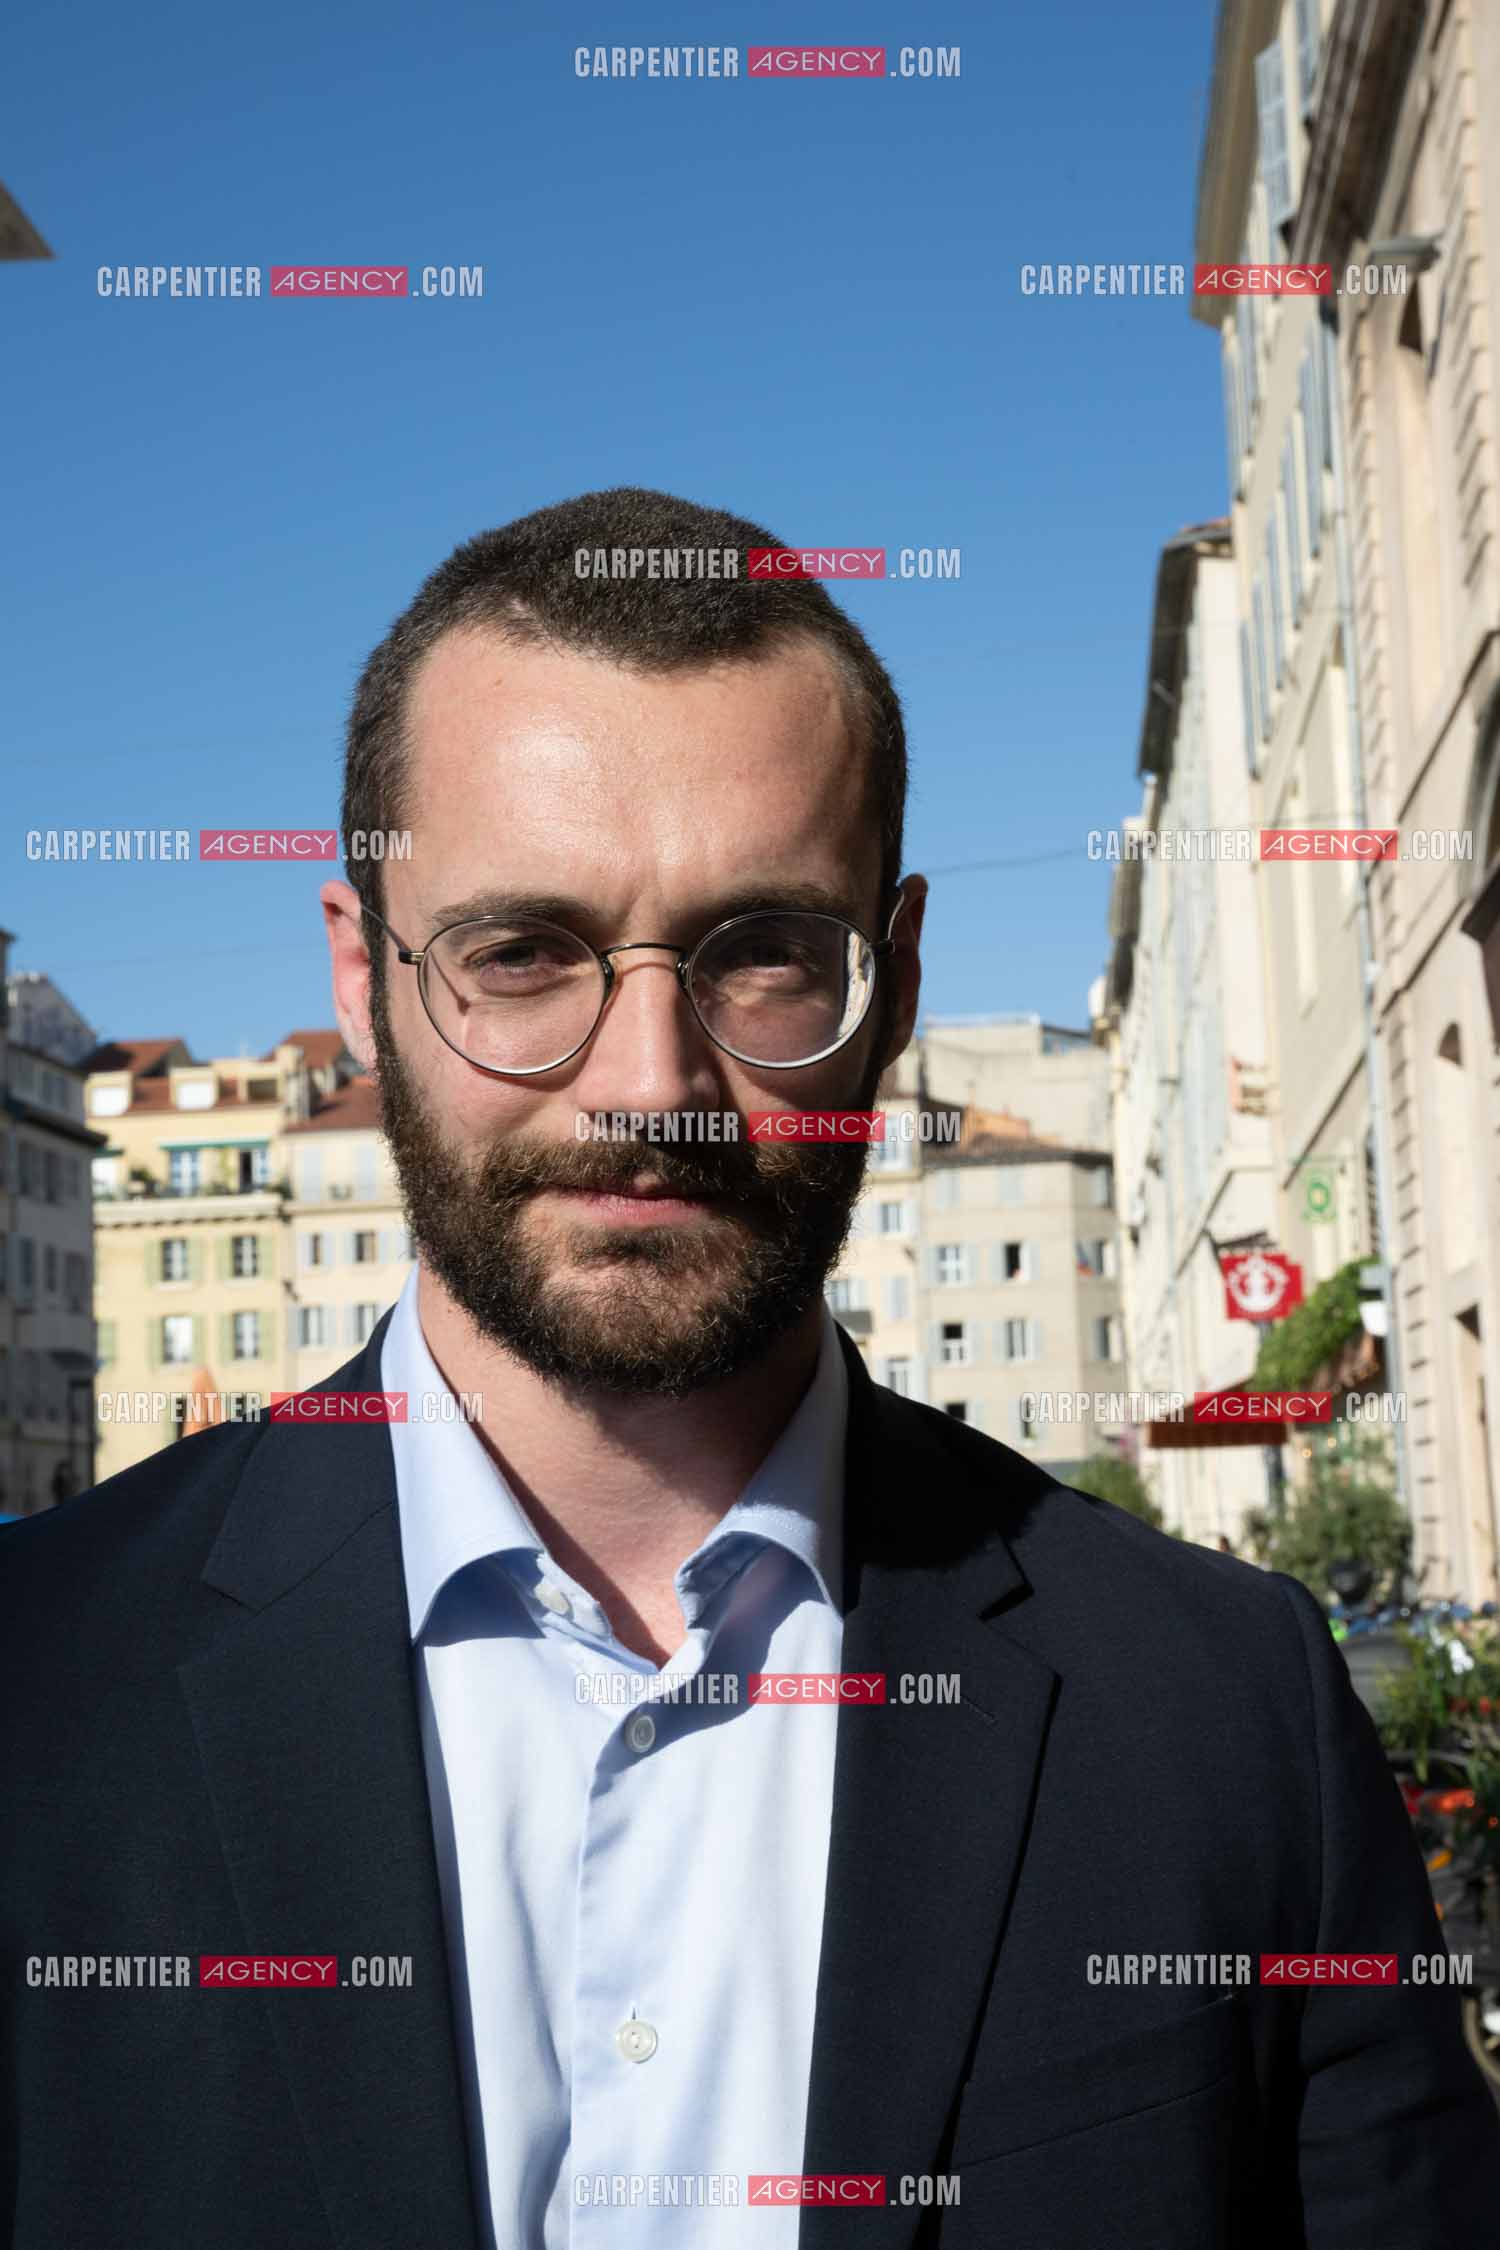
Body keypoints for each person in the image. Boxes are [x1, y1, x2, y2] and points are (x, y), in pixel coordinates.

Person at [3, 487, 1497, 2250]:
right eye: (521, 953)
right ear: (362, 971)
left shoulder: (1226, 1711)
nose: (648, 1080)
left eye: (766, 953)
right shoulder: (38, 1694)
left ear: (902, 972)